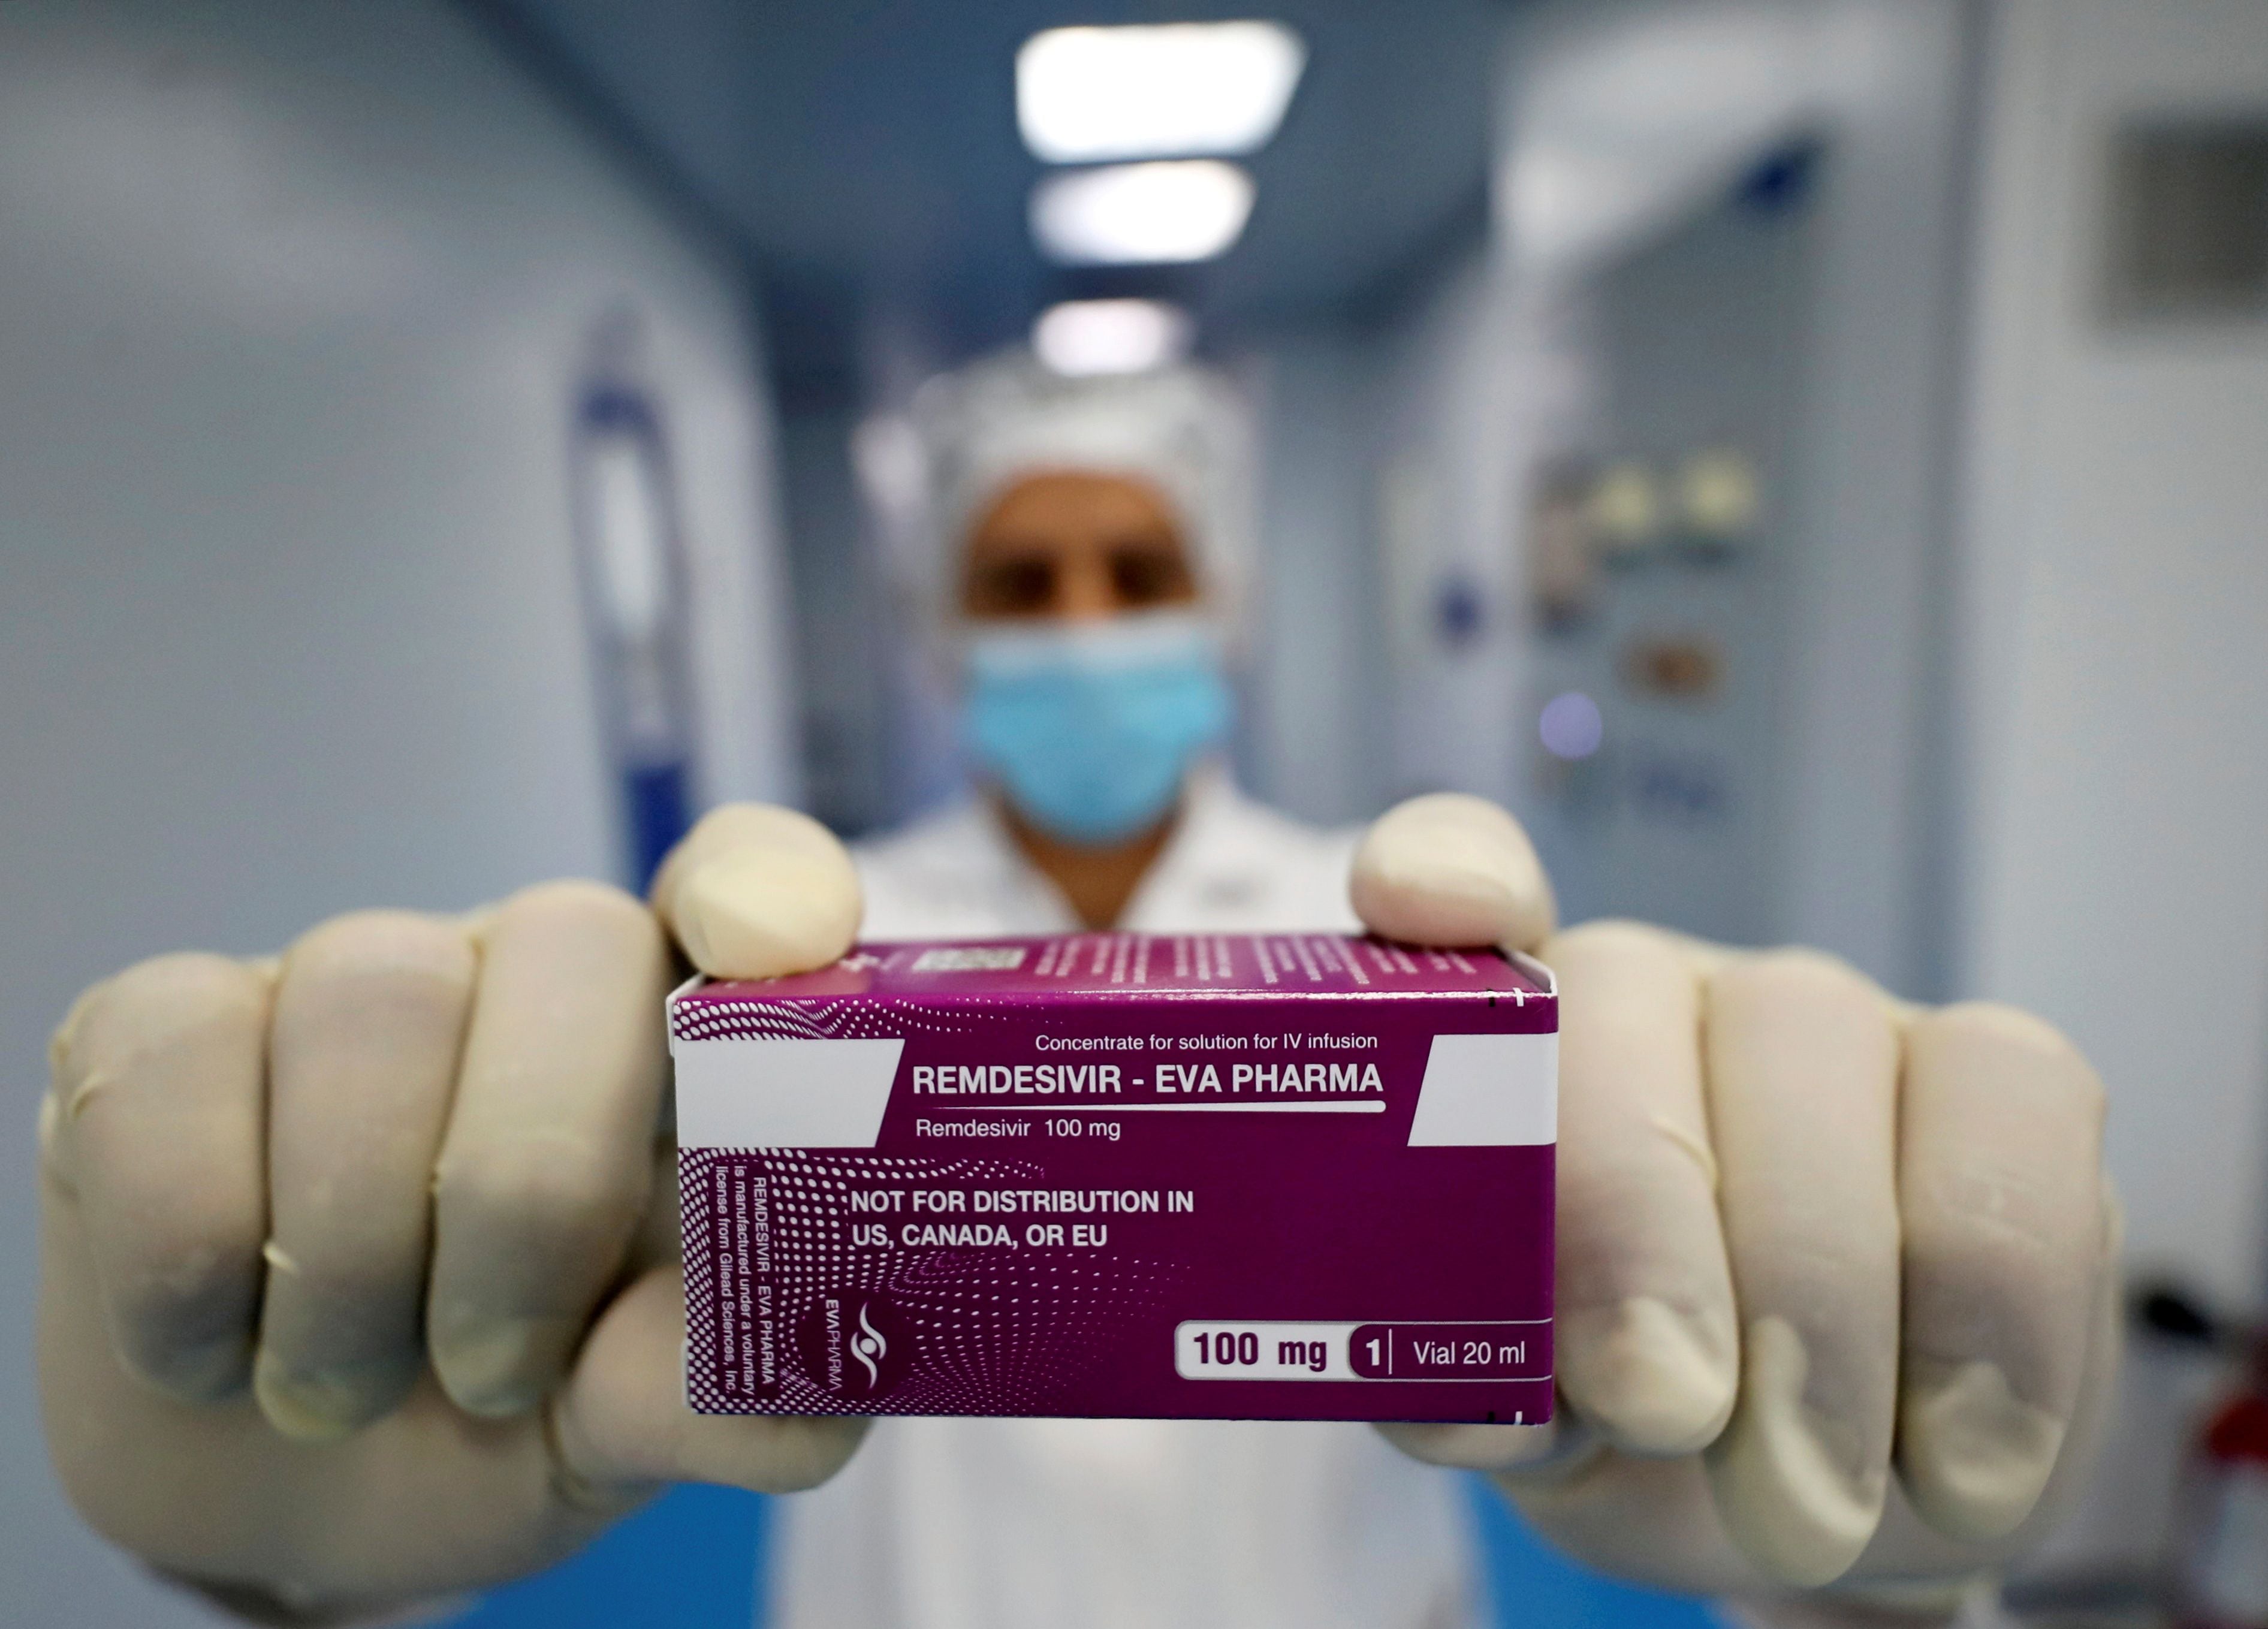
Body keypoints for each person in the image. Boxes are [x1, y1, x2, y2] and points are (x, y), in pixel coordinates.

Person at [37, 351, 2116, 1628]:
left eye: (1138, 568)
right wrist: (276, 1568)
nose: (1087, 620)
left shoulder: (1423, 968)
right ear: (946, 632)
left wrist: (1864, 1565)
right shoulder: (791, 978)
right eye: (1023, 583)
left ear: (1221, 600)